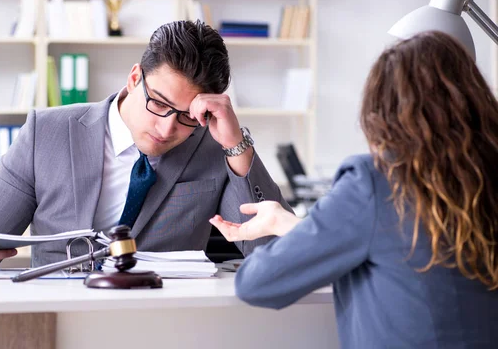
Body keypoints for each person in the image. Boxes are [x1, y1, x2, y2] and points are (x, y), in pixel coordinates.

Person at [210, 31, 498, 348]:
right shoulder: (484, 178)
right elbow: (397, 243)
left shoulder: (375, 181)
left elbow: (256, 283)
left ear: (382, 114)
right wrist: (288, 224)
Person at [0, 20, 290, 271]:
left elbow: (276, 253)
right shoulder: (47, 133)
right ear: (135, 78)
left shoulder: (213, 147)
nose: (167, 128)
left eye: (185, 116)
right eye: (159, 103)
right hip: (53, 322)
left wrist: (236, 145)